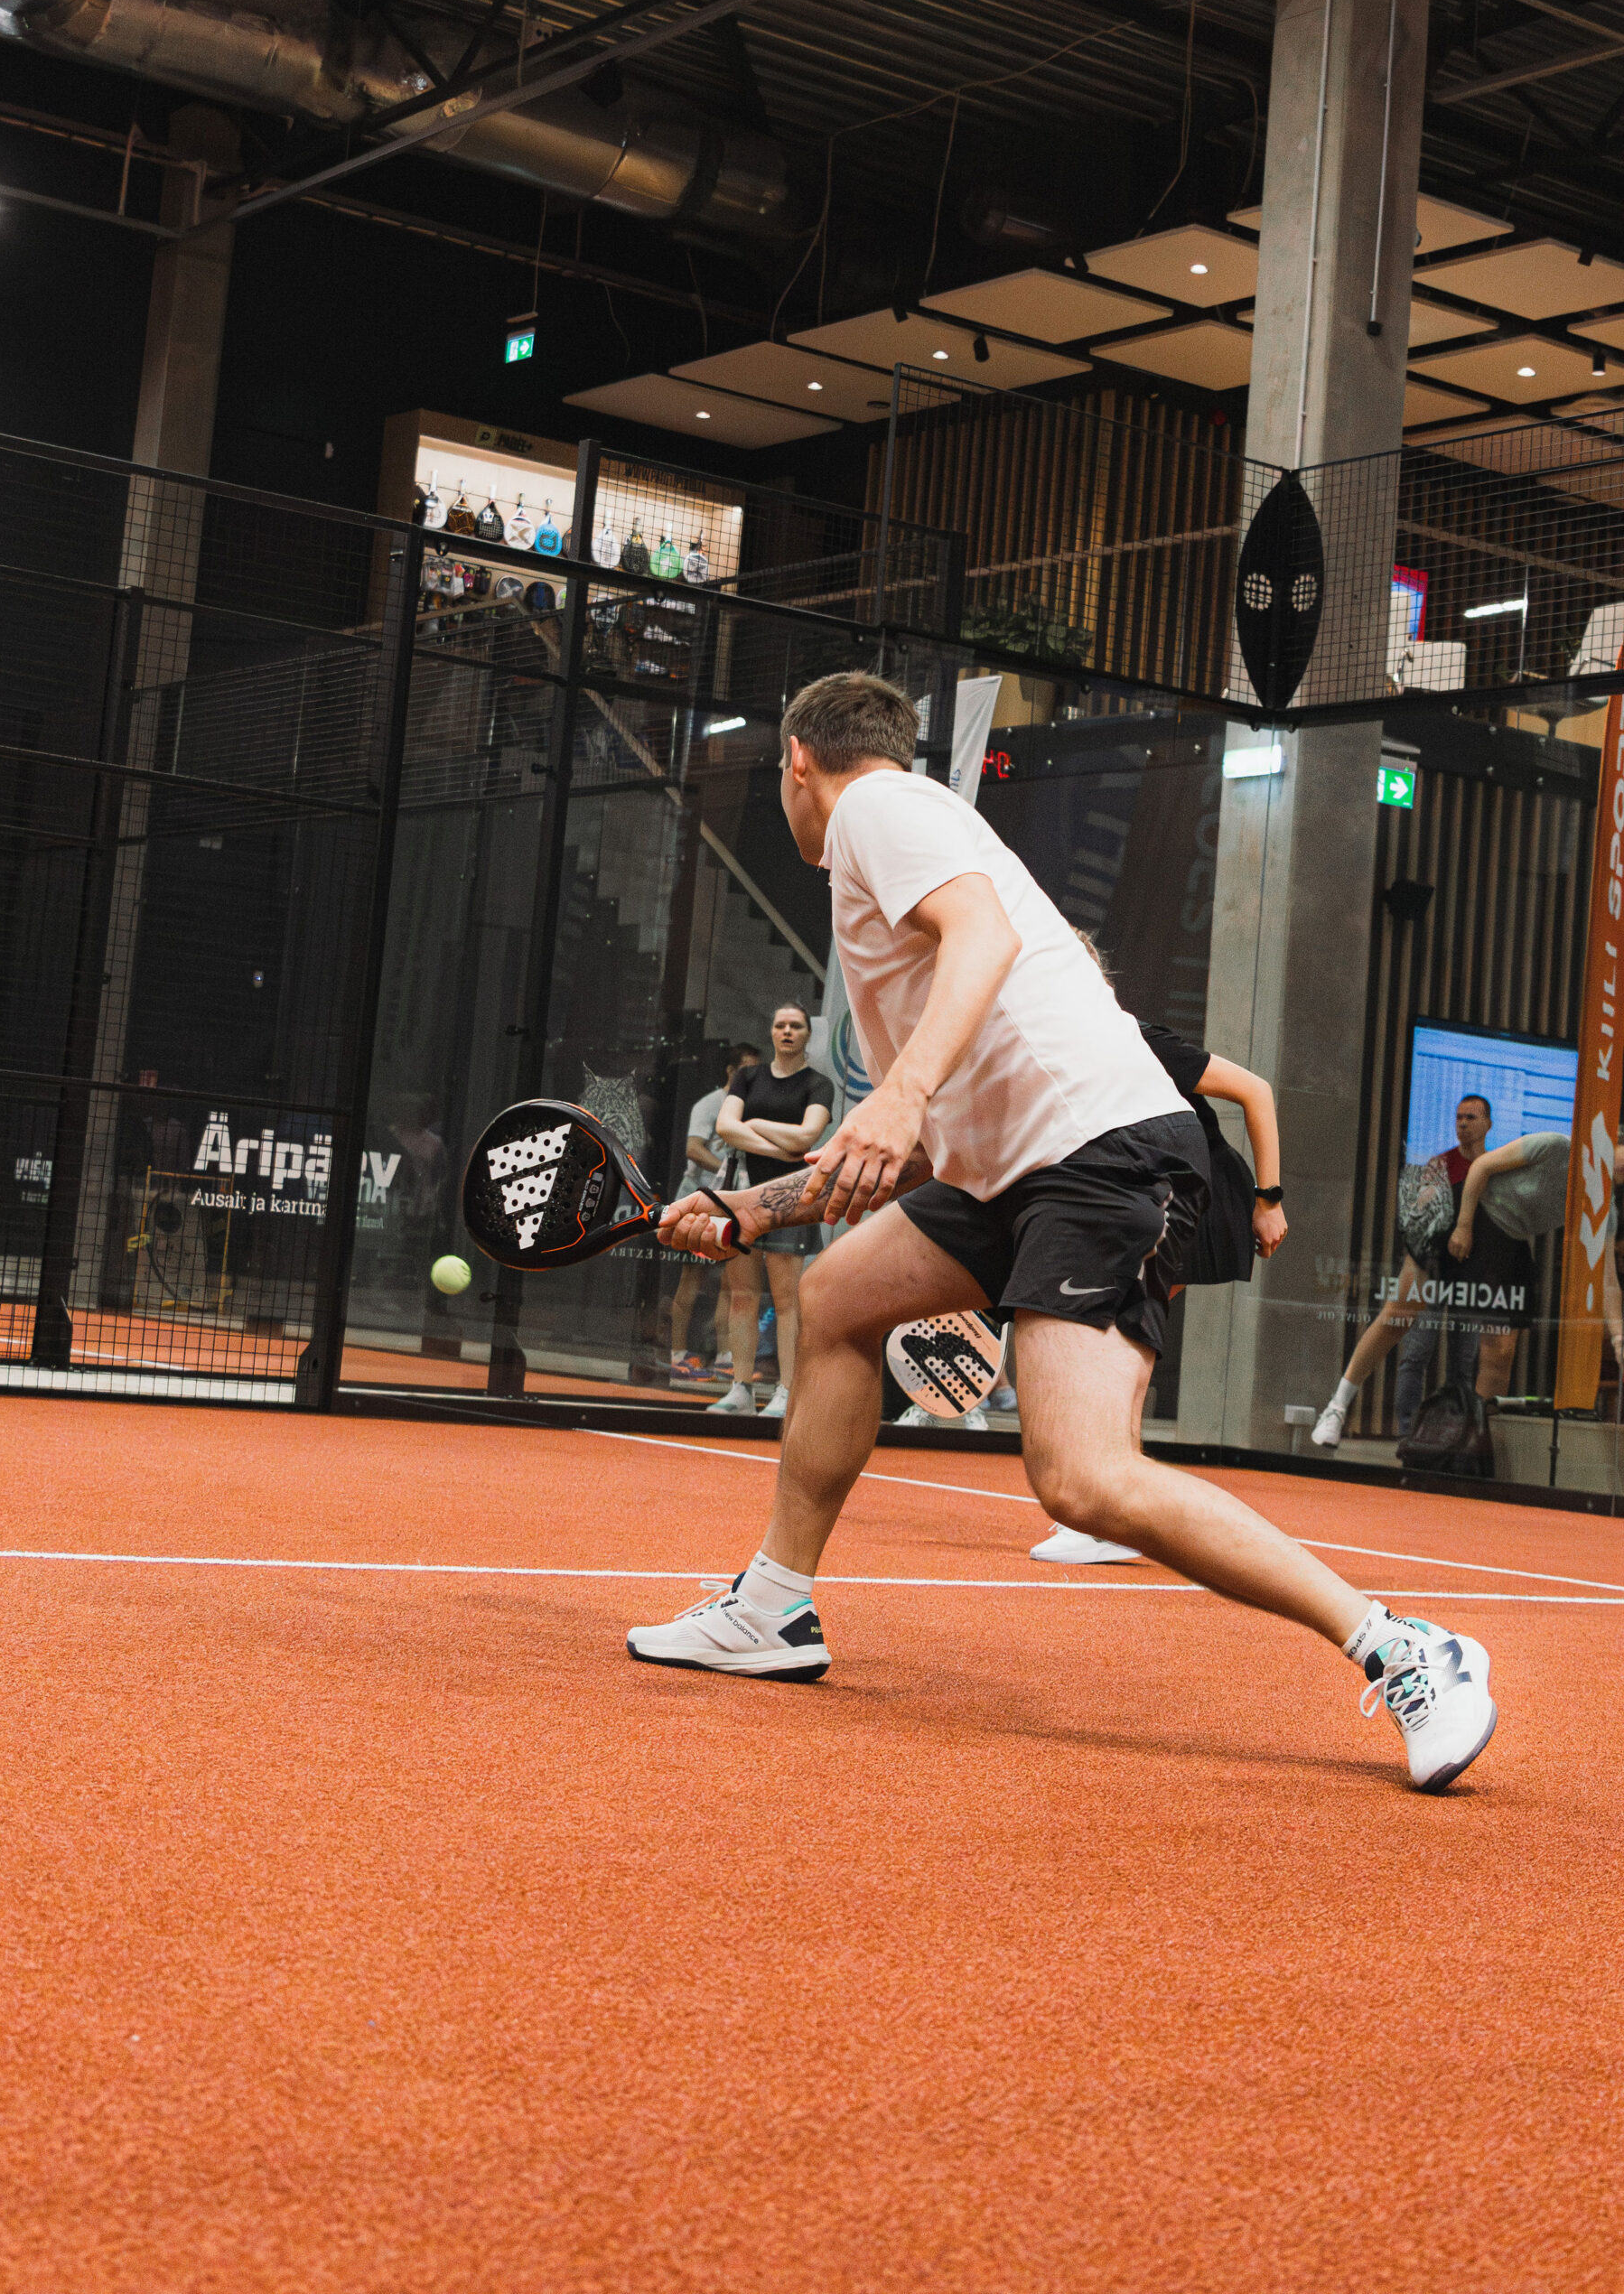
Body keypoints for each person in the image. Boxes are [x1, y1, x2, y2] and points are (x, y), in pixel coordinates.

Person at [630, 669, 1496, 1795]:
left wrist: (901, 1094)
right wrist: (754, 1207)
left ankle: (1403, 1646)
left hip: (1099, 1157)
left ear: (800, 759)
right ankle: (772, 1609)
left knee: (1083, 1480)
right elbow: (929, 1148)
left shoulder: (876, 808)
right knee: (838, 1299)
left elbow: (981, 938)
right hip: (1014, 1172)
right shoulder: (896, 869)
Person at [1032, 973, 1291, 1565]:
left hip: (1199, 1194)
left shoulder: (1139, 1040)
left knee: (1122, 1333)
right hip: (1150, 1197)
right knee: (1119, 1332)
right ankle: (1111, 1507)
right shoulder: (1067, 1053)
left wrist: (1269, 1199)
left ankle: (1110, 1513)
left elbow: (1256, 1090)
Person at [1311, 1095, 1493, 1450]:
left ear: (1488, 1123)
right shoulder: (1441, 1164)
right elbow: (1419, 1217)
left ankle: (1458, 1439)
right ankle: (1342, 1410)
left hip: (1472, 1270)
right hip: (1432, 1258)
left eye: (1471, 1117)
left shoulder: (1495, 1165)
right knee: (1404, 1335)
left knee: (1465, 1362)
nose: (1463, 1123)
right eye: (1459, 1117)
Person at [705, 1003, 833, 1420]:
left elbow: (808, 1136)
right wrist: (782, 1148)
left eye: (796, 1026)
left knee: (786, 1301)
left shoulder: (818, 1084)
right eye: (780, 1025)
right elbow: (725, 1127)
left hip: (791, 1199)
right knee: (742, 1295)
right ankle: (740, 1388)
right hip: (743, 1195)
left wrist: (755, 1125)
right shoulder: (748, 1076)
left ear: (808, 1034)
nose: (787, 1031)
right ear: (772, 1032)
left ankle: (786, 1391)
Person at [1444, 1127, 1624, 1389]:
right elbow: (1481, 1166)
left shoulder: (1604, 1207)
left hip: (1511, 1240)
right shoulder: (1556, 1146)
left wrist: (1619, 1338)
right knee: (1491, 1345)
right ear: (1613, 1143)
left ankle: (1483, 1411)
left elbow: (1607, 1280)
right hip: (1475, 1214)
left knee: (1504, 1351)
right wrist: (1463, 1226)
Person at [669, 1043, 761, 1381]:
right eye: (746, 1070)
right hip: (698, 1202)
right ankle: (677, 1354)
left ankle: (725, 1357)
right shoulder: (710, 1104)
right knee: (691, 1278)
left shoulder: (753, 1109)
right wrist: (728, 1172)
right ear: (730, 1070)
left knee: (729, 1283)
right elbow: (694, 1149)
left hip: (731, 1206)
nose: (751, 1077)